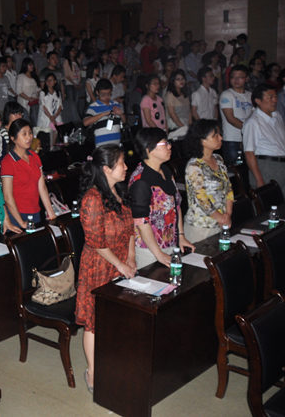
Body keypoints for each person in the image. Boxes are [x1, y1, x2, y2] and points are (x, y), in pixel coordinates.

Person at [74, 145, 134, 393]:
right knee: (94, 322)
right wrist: (121, 264)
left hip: (121, 263)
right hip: (99, 266)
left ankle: (111, 362)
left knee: (115, 317)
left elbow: (130, 228)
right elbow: (95, 242)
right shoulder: (92, 199)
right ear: (107, 169)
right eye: (121, 163)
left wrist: (131, 258)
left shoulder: (119, 191)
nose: (126, 167)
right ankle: (92, 372)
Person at [129, 128, 194, 269]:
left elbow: (176, 205)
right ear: (149, 150)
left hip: (170, 243)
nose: (170, 146)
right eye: (165, 144)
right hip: (149, 250)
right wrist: (158, 253)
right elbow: (141, 222)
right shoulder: (141, 180)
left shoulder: (166, 170)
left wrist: (181, 236)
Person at [0, 119, 56, 229]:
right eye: (24, 134)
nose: (29, 137)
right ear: (13, 138)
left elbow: (42, 187)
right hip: (17, 215)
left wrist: (50, 212)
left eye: (30, 133)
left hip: (35, 212)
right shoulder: (8, 162)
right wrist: (21, 222)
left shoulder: (34, 156)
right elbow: (7, 196)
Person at [183, 120, 234, 243]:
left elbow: (228, 188)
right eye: (215, 135)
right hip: (201, 227)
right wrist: (220, 218)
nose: (220, 138)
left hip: (221, 223)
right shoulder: (194, 166)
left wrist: (228, 214)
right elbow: (201, 198)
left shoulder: (218, 159)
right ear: (202, 141)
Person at [243, 84, 285, 190]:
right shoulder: (253, 122)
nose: (275, 100)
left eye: (275, 96)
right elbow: (249, 153)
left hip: (281, 165)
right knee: (271, 198)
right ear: (258, 101)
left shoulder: (277, 116)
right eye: (270, 97)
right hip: (267, 166)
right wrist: (259, 179)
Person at [219, 65, 253, 164]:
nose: (236, 80)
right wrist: (248, 130)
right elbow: (230, 118)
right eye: (233, 77)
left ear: (247, 79)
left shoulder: (250, 95)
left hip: (248, 139)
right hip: (232, 139)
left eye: (240, 77)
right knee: (235, 168)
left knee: (246, 168)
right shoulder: (227, 95)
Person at [83, 79, 124, 148]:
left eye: (109, 94)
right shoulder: (93, 106)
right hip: (101, 146)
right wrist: (104, 113)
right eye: (103, 95)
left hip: (116, 144)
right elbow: (85, 123)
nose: (106, 97)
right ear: (97, 93)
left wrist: (121, 114)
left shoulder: (115, 104)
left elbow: (124, 121)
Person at [36, 73, 63, 148]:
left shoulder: (58, 93)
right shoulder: (43, 93)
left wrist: (54, 116)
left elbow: (60, 106)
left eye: (51, 80)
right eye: (47, 80)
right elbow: (43, 107)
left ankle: (52, 146)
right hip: (46, 116)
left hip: (55, 116)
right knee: (49, 129)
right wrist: (51, 117)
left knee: (57, 128)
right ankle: (49, 147)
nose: (49, 82)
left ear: (55, 81)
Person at [164, 70, 192, 140]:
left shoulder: (185, 94)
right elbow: (172, 114)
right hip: (175, 126)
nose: (181, 81)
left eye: (182, 79)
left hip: (186, 125)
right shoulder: (170, 94)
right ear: (173, 81)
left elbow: (189, 112)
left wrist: (190, 126)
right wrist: (183, 127)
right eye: (178, 79)